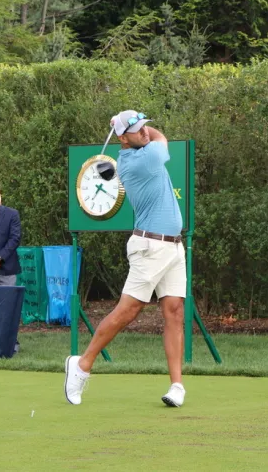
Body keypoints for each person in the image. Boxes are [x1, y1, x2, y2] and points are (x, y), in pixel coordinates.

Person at [65, 110, 187, 407]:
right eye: (136, 130)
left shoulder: (139, 150)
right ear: (121, 138)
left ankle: (177, 386)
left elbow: (152, 136)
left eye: (144, 126)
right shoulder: (138, 161)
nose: (145, 132)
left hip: (173, 248)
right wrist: (145, 129)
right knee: (128, 311)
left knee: (174, 312)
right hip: (149, 247)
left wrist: (133, 123)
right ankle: (81, 365)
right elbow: (161, 138)